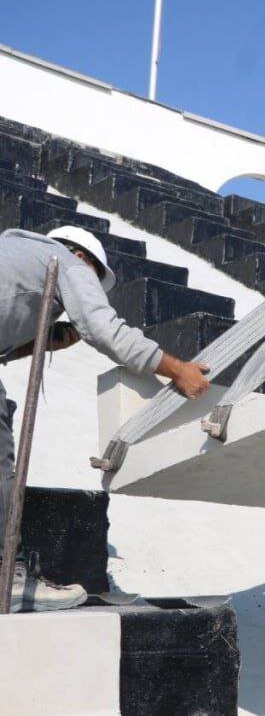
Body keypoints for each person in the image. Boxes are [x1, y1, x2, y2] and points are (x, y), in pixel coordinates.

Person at [2, 226, 212, 612]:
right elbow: (104, 329)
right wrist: (177, 369)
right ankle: (5, 576)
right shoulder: (66, 260)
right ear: (85, 260)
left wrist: (38, 341)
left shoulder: (14, 252)